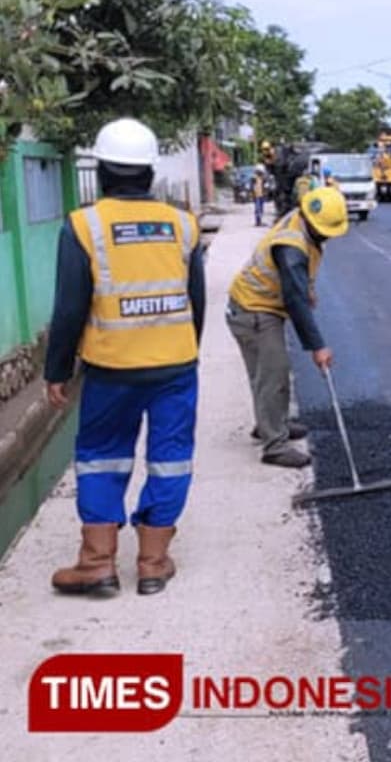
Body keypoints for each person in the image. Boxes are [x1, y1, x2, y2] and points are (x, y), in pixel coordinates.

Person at [44, 117, 205, 596]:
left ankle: (97, 562)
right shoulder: (182, 225)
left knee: (101, 458)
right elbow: (195, 299)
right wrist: (183, 351)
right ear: (150, 173)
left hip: (111, 369)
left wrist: (57, 370)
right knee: (171, 459)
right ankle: (153, 562)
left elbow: (70, 306)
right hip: (176, 368)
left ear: (101, 170)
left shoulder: (82, 225)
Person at [226, 187, 349, 468]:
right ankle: (274, 445)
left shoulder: (302, 219)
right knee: (274, 373)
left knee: (267, 372)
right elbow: (295, 301)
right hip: (253, 309)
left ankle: (271, 422)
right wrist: (317, 346)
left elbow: (299, 283)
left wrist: (307, 288)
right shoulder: (291, 248)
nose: (328, 235)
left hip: (259, 304)